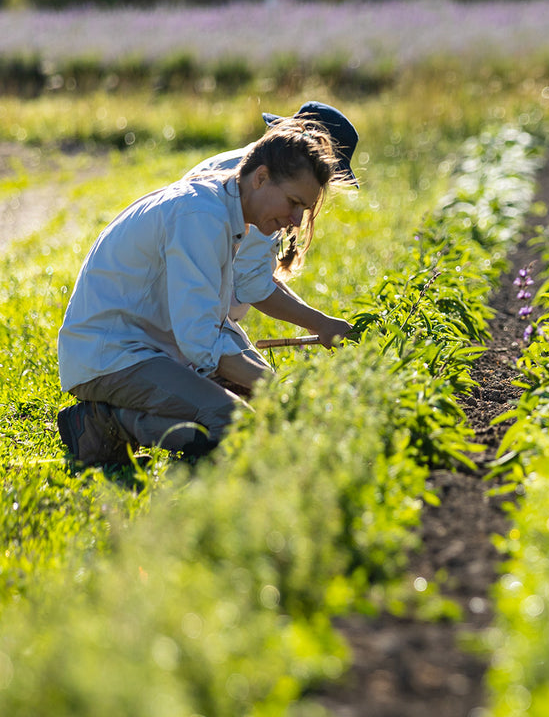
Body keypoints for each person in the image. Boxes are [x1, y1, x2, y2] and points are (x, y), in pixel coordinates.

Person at [56, 119, 344, 466]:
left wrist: (264, 385)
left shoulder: (224, 210)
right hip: (109, 356)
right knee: (240, 425)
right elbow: (201, 340)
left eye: (304, 209)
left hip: (151, 347)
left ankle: (131, 419)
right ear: (262, 177)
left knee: (257, 406)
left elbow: (209, 321)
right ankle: (102, 424)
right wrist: (276, 390)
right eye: (293, 202)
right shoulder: (201, 215)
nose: (297, 220)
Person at [187, 101, 360, 362]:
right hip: (190, 318)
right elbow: (252, 285)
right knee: (258, 392)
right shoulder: (266, 194)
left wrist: (310, 320)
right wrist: (321, 322)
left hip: (195, 306)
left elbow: (252, 268)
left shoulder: (253, 165)